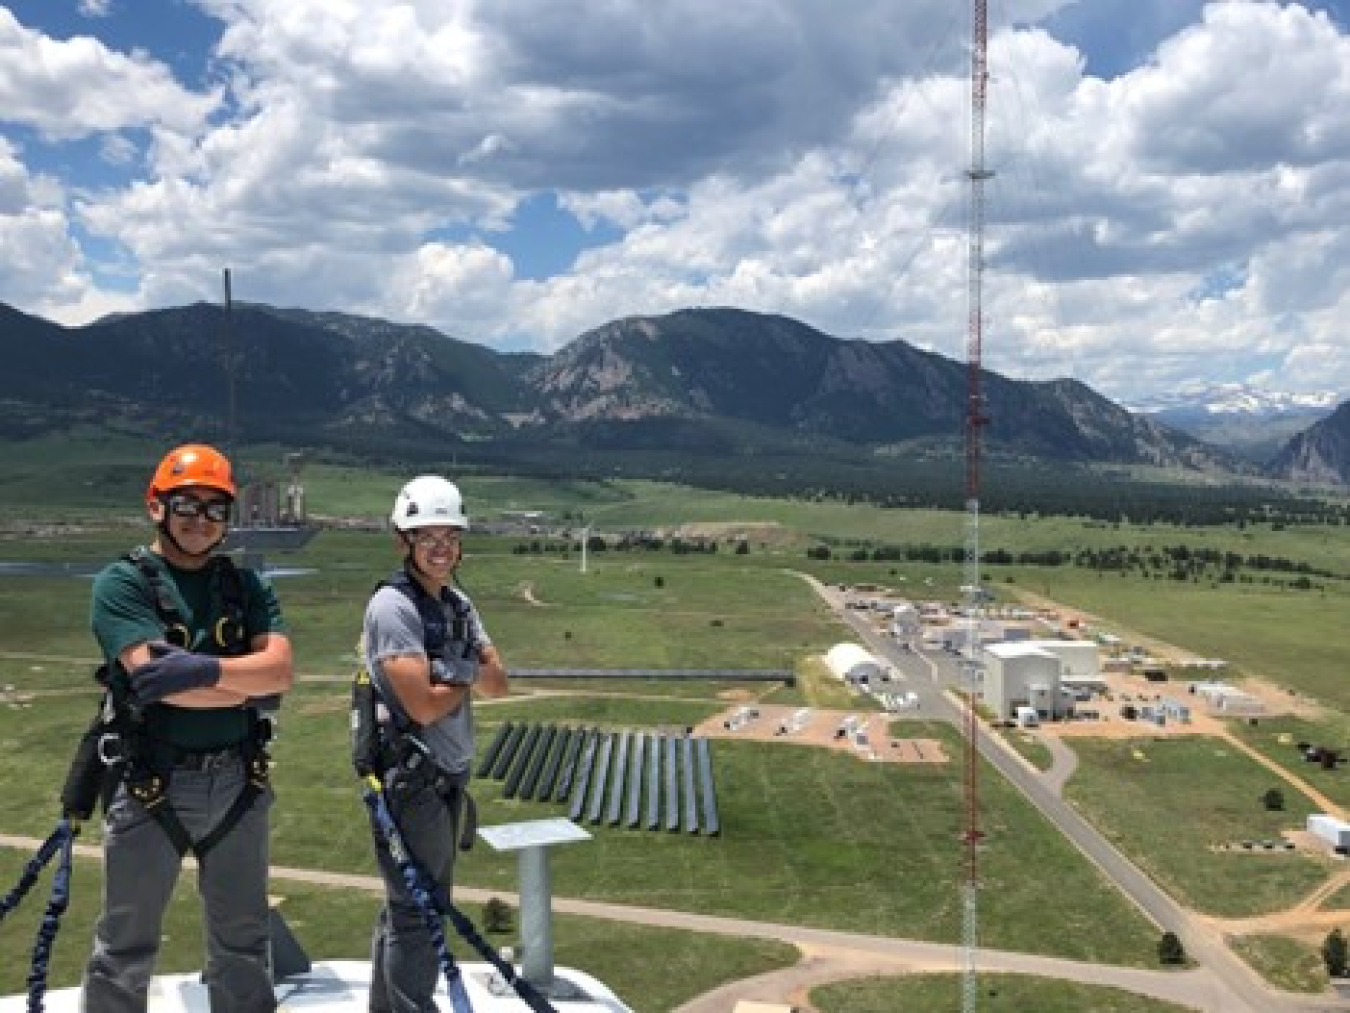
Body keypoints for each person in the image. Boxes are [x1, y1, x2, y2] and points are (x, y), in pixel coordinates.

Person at [81, 443, 294, 1013]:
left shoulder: (246, 587)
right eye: (187, 505)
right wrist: (241, 680)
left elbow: (279, 674)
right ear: (156, 506)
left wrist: (200, 670)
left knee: (244, 945)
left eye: (215, 508)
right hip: (152, 781)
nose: (201, 520)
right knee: (124, 947)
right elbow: (153, 682)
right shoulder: (122, 584)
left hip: (237, 782)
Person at [361, 475, 509, 1013]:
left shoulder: (458, 604)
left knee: (412, 906)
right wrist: (465, 670)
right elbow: (422, 704)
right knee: (418, 912)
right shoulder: (392, 609)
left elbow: (500, 683)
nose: (442, 547)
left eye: (451, 536)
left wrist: (451, 672)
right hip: (411, 779)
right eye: (429, 537)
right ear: (404, 541)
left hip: (446, 776)